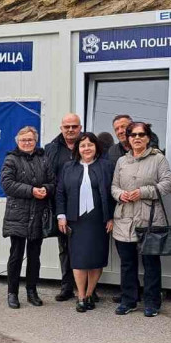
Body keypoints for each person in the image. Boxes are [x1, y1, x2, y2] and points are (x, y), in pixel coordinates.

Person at [111, 122, 171, 317]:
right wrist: (121, 195)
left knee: (150, 263)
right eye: (133, 135)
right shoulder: (121, 161)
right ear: (128, 139)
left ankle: (152, 302)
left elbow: (167, 184)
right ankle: (129, 300)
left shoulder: (158, 159)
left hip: (150, 218)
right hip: (124, 219)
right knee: (127, 263)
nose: (137, 138)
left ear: (148, 137)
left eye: (141, 134)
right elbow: (113, 186)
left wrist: (142, 192)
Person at [56, 132, 115, 312]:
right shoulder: (68, 167)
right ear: (77, 149)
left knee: (96, 259)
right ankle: (80, 296)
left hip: (99, 220)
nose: (86, 148)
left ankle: (90, 294)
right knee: (79, 260)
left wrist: (111, 216)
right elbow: (60, 193)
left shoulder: (106, 166)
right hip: (76, 221)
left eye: (90, 145)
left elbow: (112, 193)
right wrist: (61, 215)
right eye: (83, 146)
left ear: (96, 147)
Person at [0, 126, 56, 309]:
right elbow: (7, 184)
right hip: (18, 214)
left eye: (30, 140)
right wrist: (31, 191)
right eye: (23, 140)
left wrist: (46, 189)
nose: (27, 143)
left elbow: (53, 182)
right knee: (16, 255)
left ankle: (32, 291)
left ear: (35, 141)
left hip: (38, 214)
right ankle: (12, 293)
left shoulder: (44, 159)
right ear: (17, 141)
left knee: (34, 256)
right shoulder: (11, 159)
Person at [44, 113, 82, 300]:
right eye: (67, 126)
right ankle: (67, 287)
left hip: (85, 205)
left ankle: (88, 289)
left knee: (85, 247)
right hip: (61, 206)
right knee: (65, 248)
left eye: (74, 126)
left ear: (80, 128)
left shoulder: (88, 145)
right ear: (61, 128)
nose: (70, 130)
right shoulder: (51, 148)